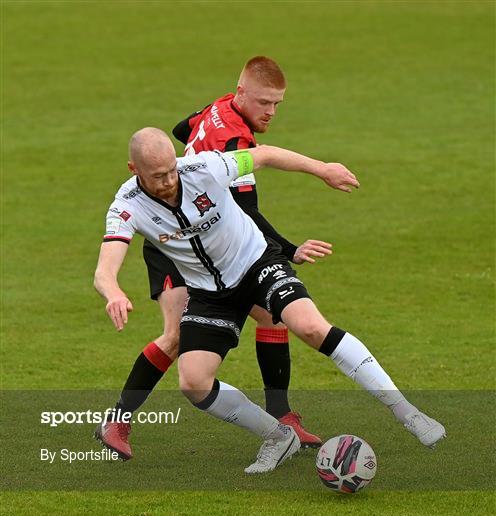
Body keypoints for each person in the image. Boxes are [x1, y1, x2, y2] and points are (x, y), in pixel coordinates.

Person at [94, 127, 446, 474]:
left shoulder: (204, 167)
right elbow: (104, 270)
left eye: (172, 169)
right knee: (193, 383)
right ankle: (278, 437)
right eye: (158, 176)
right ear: (133, 170)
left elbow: (263, 155)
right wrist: (114, 292)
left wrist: (322, 169)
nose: (170, 180)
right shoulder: (126, 206)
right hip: (209, 294)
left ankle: (407, 412)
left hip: (257, 263)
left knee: (309, 326)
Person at [98, 57, 328, 459]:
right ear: (242, 93)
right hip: (172, 245)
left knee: (272, 315)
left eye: (277, 104)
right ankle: (118, 419)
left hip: (205, 237)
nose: (271, 112)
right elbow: (248, 214)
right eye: (264, 103)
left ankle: (281, 416)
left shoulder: (220, 108)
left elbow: (182, 129)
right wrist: (290, 250)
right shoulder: (234, 143)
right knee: (175, 337)